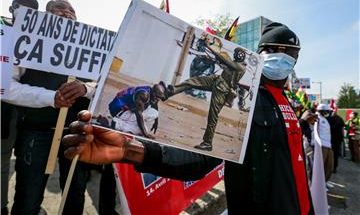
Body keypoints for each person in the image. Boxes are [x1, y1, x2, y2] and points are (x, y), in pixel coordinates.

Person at [63, 22, 314, 214]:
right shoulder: (250, 106)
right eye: (271, 50)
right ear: (259, 55)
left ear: (297, 59)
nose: (279, 57)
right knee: (195, 87)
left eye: (288, 53)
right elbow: (198, 160)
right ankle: (175, 90)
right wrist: (130, 150)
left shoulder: (287, 101)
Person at [8, 0, 94, 215]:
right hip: (37, 133)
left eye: (71, 10)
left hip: (78, 133)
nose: (67, 13)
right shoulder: (26, 41)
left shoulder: (90, 50)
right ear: (45, 16)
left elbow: (103, 82)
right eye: (59, 9)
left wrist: (86, 88)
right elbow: (6, 87)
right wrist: (50, 97)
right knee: (28, 198)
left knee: (75, 195)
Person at [166, 44, 247, 151]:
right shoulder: (235, 64)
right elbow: (225, 63)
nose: (236, 55)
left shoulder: (241, 67)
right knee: (193, 81)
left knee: (212, 117)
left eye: (238, 54)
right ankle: (170, 91)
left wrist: (210, 47)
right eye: (236, 53)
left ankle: (208, 143)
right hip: (216, 81)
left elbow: (226, 60)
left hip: (222, 90)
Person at [1, 0, 39, 215]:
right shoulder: (2, 30)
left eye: (30, 10)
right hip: (9, 109)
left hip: (18, 113)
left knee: (9, 162)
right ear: (11, 8)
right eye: (19, 8)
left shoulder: (37, 39)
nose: (23, 12)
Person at [314, 104, 334, 185]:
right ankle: (319, 184)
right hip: (321, 146)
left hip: (328, 145)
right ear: (322, 111)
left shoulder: (324, 119)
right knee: (320, 167)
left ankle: (324, 182)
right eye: (327, 111)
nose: (328, 112)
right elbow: (314, 132)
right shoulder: (316, 118)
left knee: (330, 166)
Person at [327, 108, 345, 172]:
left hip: (331, 139)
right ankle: (334, 167)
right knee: (335, 154)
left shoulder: (328, 119)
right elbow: (342, 128)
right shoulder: (339, 118)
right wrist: (342, 137)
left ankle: (331, 167)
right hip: (337, 139)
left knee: (330, 154)